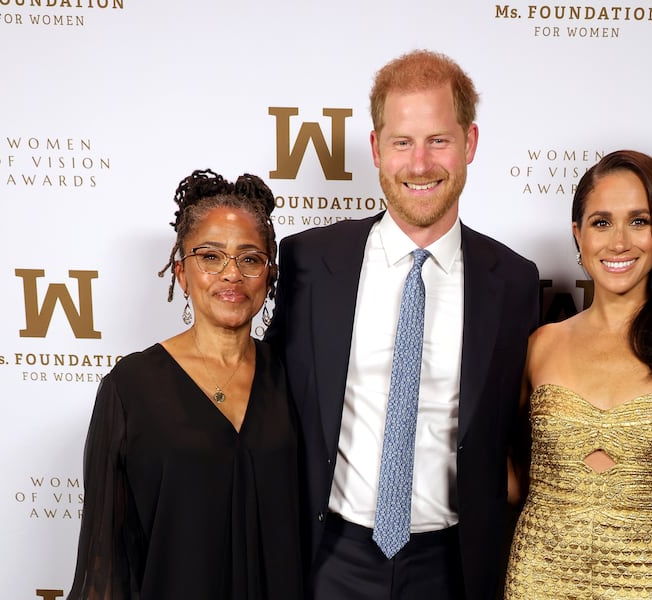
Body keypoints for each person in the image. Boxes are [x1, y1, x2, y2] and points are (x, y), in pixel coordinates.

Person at [265, 50, 540, 600]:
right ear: (375, 148)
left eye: (438, 140)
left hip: (454, 567)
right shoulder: (306, 262)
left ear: (470, 143)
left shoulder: (513, 281)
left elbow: (528, 429)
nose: (420, 164)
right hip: (328, 557)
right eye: (402, 142)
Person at [504, 150, 652, 599]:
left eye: (638, 221)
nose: (618, 242)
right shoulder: (540, 345)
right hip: (538, 579)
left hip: (650, 582)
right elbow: (513, 479)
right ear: (578, 235)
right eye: (600, 222)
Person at [68, 169, 302, 599]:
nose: (231, 274)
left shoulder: (297, 379)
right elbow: (107, 557)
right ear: (181, 272)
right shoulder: (130, 388)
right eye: (211, 256)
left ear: (269, 277)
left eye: (250, 258)